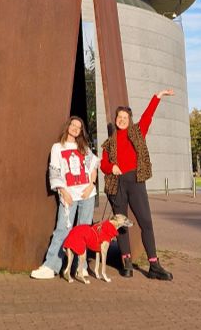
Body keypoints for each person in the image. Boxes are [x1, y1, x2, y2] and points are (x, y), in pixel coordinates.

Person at [100, 89, 174, 281]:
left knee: (146, 223)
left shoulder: (137, 132)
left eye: (125, 117)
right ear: (116, 120)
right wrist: (111, 167)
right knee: (121, 223)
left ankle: (154, 265)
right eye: (119, 117)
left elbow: (148, 115)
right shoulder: (109, 143)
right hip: (118, 185)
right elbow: (103, 164)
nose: (122, 120)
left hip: (135, 182)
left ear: (129, 119)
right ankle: (126, 262)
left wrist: (157, 97)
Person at [30, 116, 99, 279]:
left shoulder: (84, 147)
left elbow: (94, 165)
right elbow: (54, 170)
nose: (76, 128)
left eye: (79, 126)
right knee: (63, 228)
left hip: (87, 194)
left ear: (81, 131)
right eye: (73, 125)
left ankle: (79, 267)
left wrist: (91, 185)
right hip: (68, 194)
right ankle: (51, 266)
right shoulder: (57, 148)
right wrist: (63, 191)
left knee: (83, 230)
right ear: (68, 126)